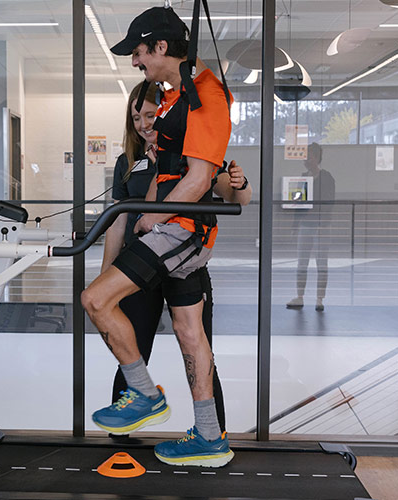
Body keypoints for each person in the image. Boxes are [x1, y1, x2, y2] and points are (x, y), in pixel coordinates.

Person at [83, 6, 236, 467]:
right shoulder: (173, 97)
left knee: (95, 299)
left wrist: (150, 217)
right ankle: (210, 438)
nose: (135, 61)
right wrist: (147, 204)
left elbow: (198, 178)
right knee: (190, 333)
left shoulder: (207, 96)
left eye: (138, 52)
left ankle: (145, 394)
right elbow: (163, 172)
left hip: (182, 229)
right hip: (174, 226)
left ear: (162, 47)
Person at [103, 80, 250, 438]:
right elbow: (117, 221)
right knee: (132, 349)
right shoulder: (128, 161)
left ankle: (214, 432)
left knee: (199, 349)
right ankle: (122, 435)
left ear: (165, 114)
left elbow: (235, 198)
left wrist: (239, 183)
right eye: (136, 117)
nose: (143, 124)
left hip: (184, 264)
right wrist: (108, 274)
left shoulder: (190, 149)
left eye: (151, 114)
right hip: (142, 266)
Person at [287, 142, 336, 311]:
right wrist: (295, 224)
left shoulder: (327, 178)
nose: (305, 160)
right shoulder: (302, 177)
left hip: (322, 226)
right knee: (302, 262)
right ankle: (300, 295)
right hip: (306, 226)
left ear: (316, 157)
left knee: (321, 263)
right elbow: (298, 204)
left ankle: (319, 298)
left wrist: (322, 222)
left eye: (308, 156)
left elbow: (329, 203)